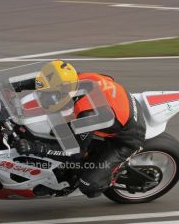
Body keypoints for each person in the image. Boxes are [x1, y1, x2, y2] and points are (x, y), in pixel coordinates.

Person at [12, 60, 146, 198]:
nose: (44, 98)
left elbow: (75, 153)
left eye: (49, 95)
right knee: (55, 131)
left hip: (127, 137)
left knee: (88, 185)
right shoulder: (74, 79)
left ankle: (110, 176)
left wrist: (34, 147)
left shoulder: (88, 115)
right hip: (119, 106)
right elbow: (48, 82)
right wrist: (15, 85)